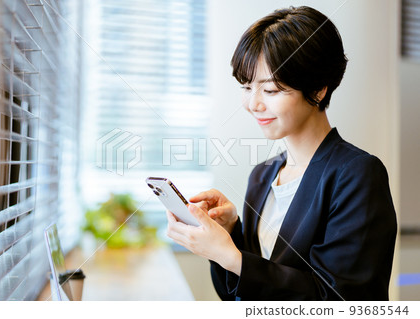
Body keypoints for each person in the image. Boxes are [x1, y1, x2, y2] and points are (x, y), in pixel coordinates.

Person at [166, 6, 397, 301]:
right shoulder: (263, 176)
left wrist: (230, 256)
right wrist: (230, 234)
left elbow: (342, 301)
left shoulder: (357, 174)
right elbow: (239, 295)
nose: (253, 104)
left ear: (318, 89)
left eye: (271, 90)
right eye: (247, 86)